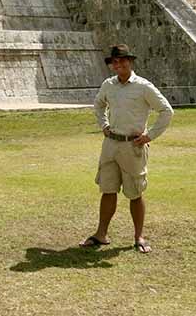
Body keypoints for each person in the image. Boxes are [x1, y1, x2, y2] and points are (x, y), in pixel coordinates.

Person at [80, 44, 173, 253]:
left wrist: (149, 135)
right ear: (112, 65)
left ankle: (138, 236)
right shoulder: (108, 85)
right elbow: (98, 105)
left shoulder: (143, 86)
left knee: (135, 193)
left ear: (130, 62)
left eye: (122, 60)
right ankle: (101, 234)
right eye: (115, 61)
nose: (119, 64)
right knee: (108, 190)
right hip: (111, 144)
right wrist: (103, 125)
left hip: (133, 146)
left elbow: (166, 111)